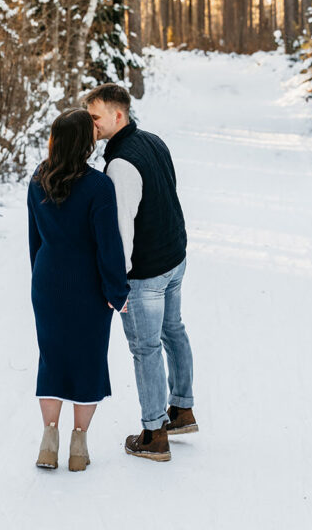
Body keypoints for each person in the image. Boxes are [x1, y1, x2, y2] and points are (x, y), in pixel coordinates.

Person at [84, 83, 197, 463]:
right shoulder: (152, 140)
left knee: (146, 348)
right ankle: (181, 411)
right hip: (174, 259)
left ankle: (154, 434)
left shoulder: (120, 164)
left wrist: (117, 283)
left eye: (95, 117)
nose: (91, 125)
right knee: (173, 330)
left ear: (118, 115)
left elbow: (121, 230)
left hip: (146, 274)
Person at [28, 108, 129, 472]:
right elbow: (108, 246)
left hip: (47, 282)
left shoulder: (38, 179)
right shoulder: (99, 186)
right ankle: (78, 445)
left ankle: (48, 440)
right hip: (87, 287)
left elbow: (34, 240)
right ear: (86, 143)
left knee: (52, 360)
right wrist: (117, 292)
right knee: (88, 361)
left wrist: (41, 280)